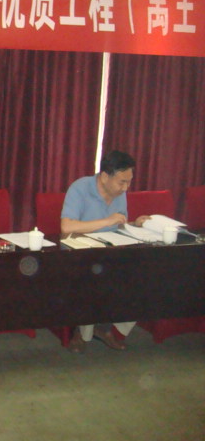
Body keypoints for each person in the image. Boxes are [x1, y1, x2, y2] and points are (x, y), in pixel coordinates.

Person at [61, 149, 150, 354]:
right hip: (80, 254)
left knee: (143, 277)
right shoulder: (80, 188)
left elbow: (119, 225)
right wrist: (106, 221)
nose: (125, 188)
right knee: (94, 277)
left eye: (129, 182)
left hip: (110, 252)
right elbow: (66, 227)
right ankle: (82, 333)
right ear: (104, 176)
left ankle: (107, 329)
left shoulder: (119, 193)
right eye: (122, 182)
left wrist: (135, 224)